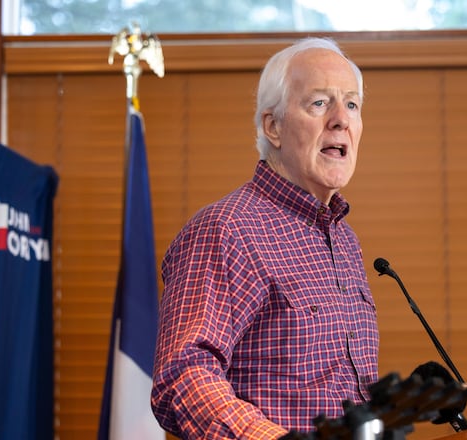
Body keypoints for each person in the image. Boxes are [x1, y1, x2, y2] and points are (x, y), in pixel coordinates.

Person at [151, 37, 379, 440]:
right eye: (319, 103)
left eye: (352, 104)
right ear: (272, 126)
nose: (341, 119)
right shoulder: (226, 229)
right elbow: (184, 377)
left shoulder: (346, 240)